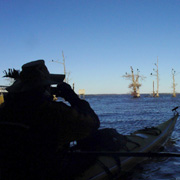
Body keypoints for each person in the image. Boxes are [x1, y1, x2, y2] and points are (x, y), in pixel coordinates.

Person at [0, 60, 100, 179]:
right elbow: (93, 123)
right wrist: (72, 97)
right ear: (44, 88)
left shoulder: (5, 110)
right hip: (45, 172)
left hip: (9, 170)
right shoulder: (52, 111)